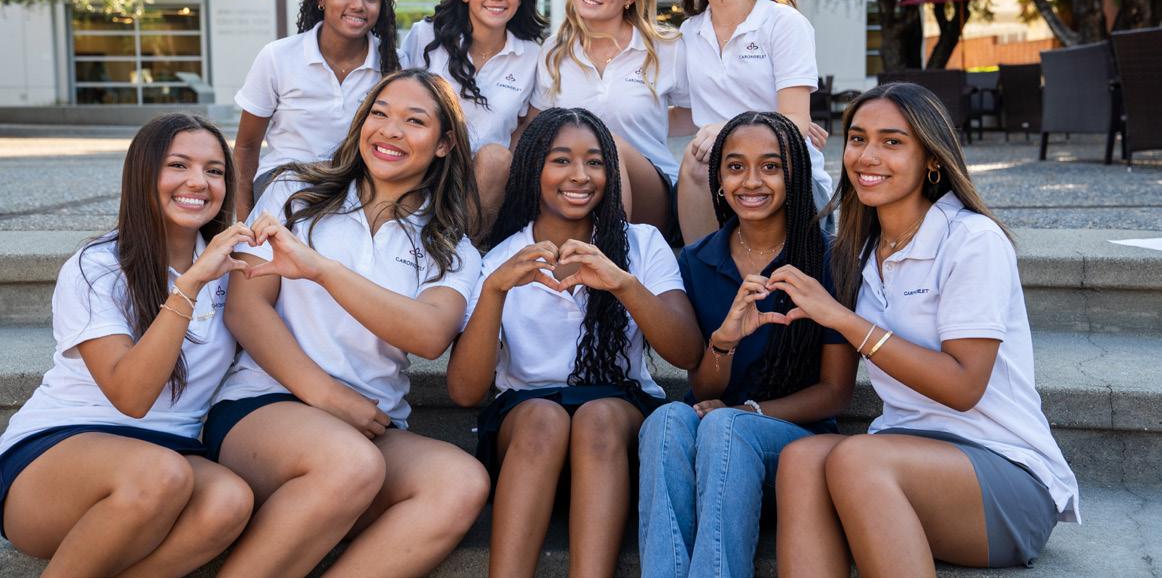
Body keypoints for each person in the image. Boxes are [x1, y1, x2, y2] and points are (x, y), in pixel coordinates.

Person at [772, 83, 1080, 577]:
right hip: (903, 452)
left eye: (892, 142)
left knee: (856, 459)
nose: (868, 156)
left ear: (932, 159)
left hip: (1003, 471)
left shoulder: (972, 240)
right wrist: (726, 341)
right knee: (801, 459)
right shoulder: (857, 250)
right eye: (857, 138)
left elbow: (963, 387)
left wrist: (844, 319)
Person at [205, 69, 489, 578]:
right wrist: (328, 396)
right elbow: (244, 308)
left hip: (370, 426)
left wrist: (322, 270)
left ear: (445, 143)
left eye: (414, 121)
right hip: (264, 405)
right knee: (350, 462)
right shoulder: (295, 191)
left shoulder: (452, 246)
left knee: (460, 482)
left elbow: (429, 335)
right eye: (379, 113)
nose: (390, 130)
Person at [446, 107, 703, 578]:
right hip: (526, 426)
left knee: (597, 417)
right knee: (543, 418)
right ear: (533, 169)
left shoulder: (642, 243)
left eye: (595, 162)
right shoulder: (499, 259)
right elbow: (464, 392)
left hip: (617, 417)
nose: (580, 175)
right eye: (561, 160)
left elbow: (687, 352)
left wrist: (622, 283)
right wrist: (496, 290)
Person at [0, 114, 255, 576]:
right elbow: (131, 396)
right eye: (178, 165)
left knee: (229, 499)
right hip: (58, 454)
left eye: (214, 170)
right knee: (160, 474)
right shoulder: (98, 266)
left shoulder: (231, 269)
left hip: (169, 453)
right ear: (143, 173)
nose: (198, 182)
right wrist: (188, 286)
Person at [637, 111, 857, 578]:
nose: (751, 181)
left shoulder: (828, 259)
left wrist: (748, 413)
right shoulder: (698, 259)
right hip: (714, 443)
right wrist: (724, 341)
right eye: (735, 167)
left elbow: (836, 392)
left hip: (793, 446)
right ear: (718, 179)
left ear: (794, 175)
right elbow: (703, 389)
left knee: (726, 428)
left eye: (770, 167)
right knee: (665, 419)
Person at [665, 0, 831, 244]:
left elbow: (796, 121)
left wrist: (726, 130)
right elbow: (688, 114)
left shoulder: (783, 23)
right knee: (697, 156)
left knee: (701, 157)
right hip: (717, 176)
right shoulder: (689, 33)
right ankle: (704, 268)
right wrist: (614, 121)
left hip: (785, 173)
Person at [530, 0, 687, 230]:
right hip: (577, 186)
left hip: (650, 188)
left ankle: (611, 251)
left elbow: (694, 114)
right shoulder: (554, 50)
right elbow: (536, 126)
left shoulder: (666, 47)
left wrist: (647, 122)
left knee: (606, 142)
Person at [233, 0, 400, 217]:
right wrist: (244, 222)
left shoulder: (394, 64)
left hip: (356, 184)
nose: (358, 5)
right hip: (285, 180)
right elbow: (246, 147)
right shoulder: (278, 56)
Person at [400, 0, 547, 235]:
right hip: (425, 167)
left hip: (486, 182)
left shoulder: (532, 55)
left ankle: (460, 250)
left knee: (496, 157)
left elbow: (528, 127)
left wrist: (505, 175)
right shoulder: (425, 35)